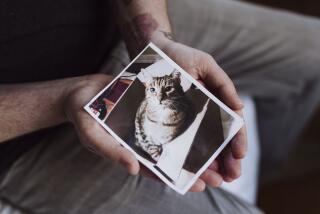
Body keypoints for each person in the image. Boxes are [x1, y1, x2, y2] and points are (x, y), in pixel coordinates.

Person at [0, 0, 319, 213]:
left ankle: (264, 170)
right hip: (30, 137)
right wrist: (66, 98)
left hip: (106, 19)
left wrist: (155, 43)